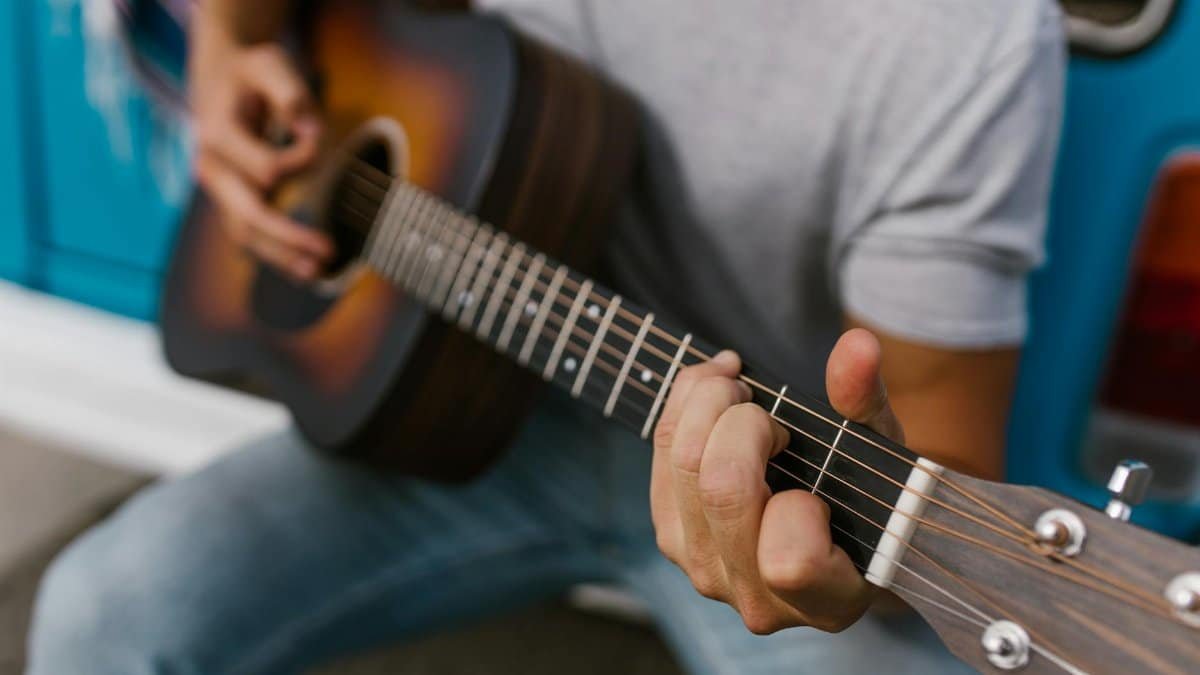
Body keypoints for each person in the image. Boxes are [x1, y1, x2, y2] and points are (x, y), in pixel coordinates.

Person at [27, 0, 1065, 673]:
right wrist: (235, 40)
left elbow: (941, 486)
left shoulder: (963, 38)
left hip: (766, 492)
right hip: (477, 412)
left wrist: (859, 570)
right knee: (96, 616)